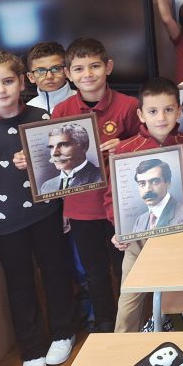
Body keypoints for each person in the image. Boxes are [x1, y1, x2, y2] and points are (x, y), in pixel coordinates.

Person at [0, 49, 76, 366]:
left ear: (22, 82)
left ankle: (63, 332)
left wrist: (42, 163)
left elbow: (67, 166)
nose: (1, 90)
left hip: (45, 213)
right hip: (3, 221)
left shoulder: (42, 118)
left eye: (8, 81)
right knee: (19, 283)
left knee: (56, 273)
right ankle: (32, 347)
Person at [51, 37, 141, 334]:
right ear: (68, 73)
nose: (87, 74)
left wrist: (124, 145)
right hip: (81, 207)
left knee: (126, 266)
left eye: (95, 66)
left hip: (122, 204)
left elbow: (146, 145)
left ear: (109, 67)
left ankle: (133, 323)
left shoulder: (129, 106)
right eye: (78, 69)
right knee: (94, 271)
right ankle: (104, 322)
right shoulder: (62, 111)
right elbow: (55, 163)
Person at [107, 77, 183, 334]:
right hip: (138, 241)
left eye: (168, 109)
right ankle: (122, 348)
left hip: (181, 238)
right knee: (128, 304)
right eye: (152, 111)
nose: (161, 117)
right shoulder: (125, 150)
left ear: (179, 111)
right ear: (141, 115)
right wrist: (119, 229)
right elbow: (111, 198)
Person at [37, 123, 103, 194]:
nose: (54, 153)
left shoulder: (101, 177)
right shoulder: (47, 186)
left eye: (64, 145)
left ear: (84, 147)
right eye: (51, 147)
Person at [129, 159, 183, 232]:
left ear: (168, 183)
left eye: (154, 181)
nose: (147, 189)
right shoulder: (140, 221)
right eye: (142, 183)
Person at [25, 41, 76, 112]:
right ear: (31, 77)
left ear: (67, 72)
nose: (49, 76)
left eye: (56, 69)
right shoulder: (28, 110)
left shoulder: (83, 102)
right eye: (40, 71)